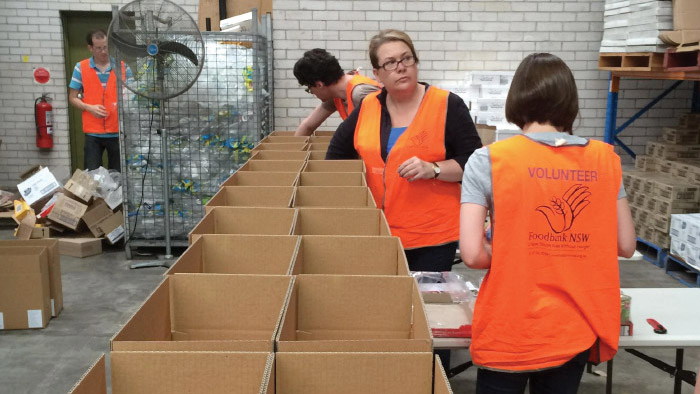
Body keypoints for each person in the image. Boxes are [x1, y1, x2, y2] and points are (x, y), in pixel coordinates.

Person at [459, 53, 636, 394]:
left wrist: (519, 249)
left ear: (517, 100)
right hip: (575, 326)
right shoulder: (605, 160)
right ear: (570, 101)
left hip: (512, 325)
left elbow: (471, 254)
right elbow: (626, 245)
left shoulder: (489, 160)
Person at [326, 29, 482, 272]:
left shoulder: (447, 104)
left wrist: (434, 168)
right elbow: (336, 155)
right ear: (377, 74)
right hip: (380, 234)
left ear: (415, 61)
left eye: (406, 58)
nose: (401, 67)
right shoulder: (369, 106)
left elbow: (474, 163)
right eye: (390, 63)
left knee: (426, 305)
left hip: (432, 236)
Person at [68, 28, 127, 172]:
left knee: (119, 177)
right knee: (92, 176)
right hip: (93, 134)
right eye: (99, 48)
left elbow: (133, 96)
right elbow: (72, 98)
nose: (103, 52)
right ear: (90, 48)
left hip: (118, 131)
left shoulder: (122, 67)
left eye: (106, 47)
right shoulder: (80, 68)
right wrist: (90, 108)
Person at [293, 48, 381, 136]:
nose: (312, 93)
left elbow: (384, 131)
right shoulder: (337, 96)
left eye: (309, 88)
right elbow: (308, 126)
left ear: (319, 85)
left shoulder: (361, 93)